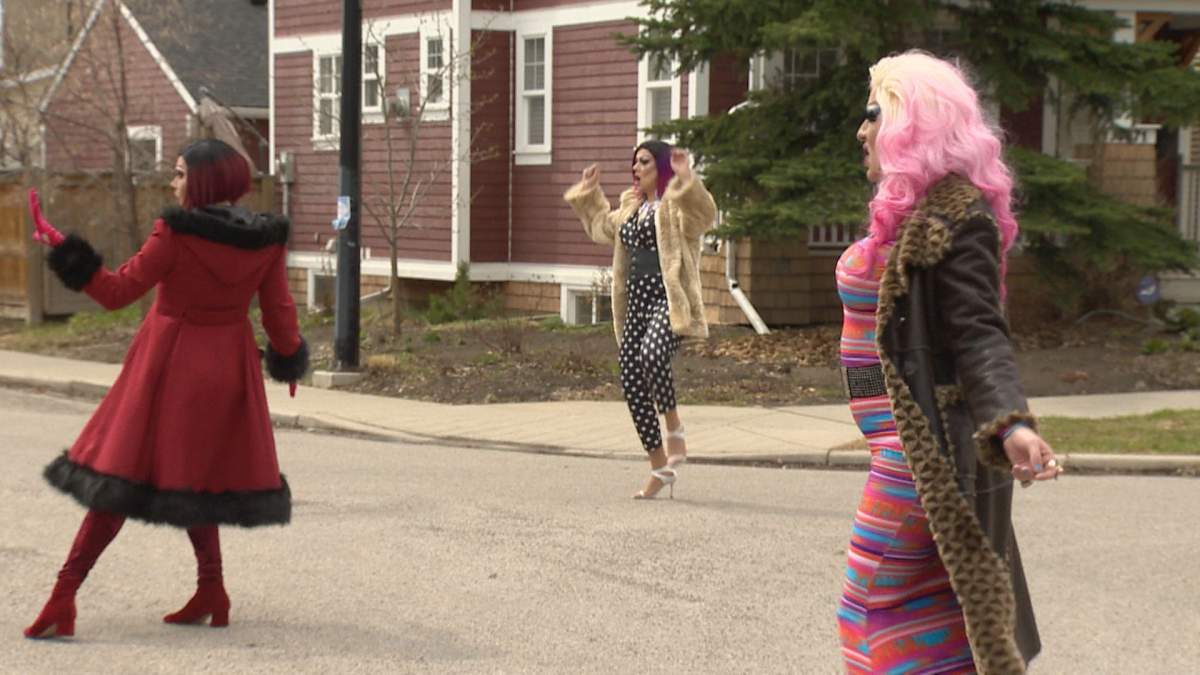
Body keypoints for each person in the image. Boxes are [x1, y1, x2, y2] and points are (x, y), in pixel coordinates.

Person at [22, 138, 308, 639]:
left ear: (201, 182)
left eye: (178, 174)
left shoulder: (174, 234)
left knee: (121, 475)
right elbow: (278, 309)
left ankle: (63, 595)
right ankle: (212, 591)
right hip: (227, 371)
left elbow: (115, 292)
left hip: (168, 367)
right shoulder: (265, 240)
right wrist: (288, 360)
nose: (171, 182)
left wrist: (65, 251)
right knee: (195, 478)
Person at [835, 51, 1061, 673]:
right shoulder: (907, 211)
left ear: (915, 122)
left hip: (920, 458)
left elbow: (980, 333)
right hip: (891, 447)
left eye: (874, 113)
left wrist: (1010, 422)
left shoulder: (959, 217)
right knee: (934, 616)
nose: (861, 129)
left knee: (866, 612)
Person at [564, 140, 716, 499]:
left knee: (652, 355)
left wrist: (686, 179)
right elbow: (602, 227)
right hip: (636, 305)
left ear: (660, 166)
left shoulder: (676, 208)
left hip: (669, 301)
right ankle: (659, 467)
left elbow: (703, 216)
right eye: (634, 163)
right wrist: (589, 192)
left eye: (644, 162)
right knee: (632, 382)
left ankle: (676, 432)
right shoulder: (631, 208)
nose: (636, 169)